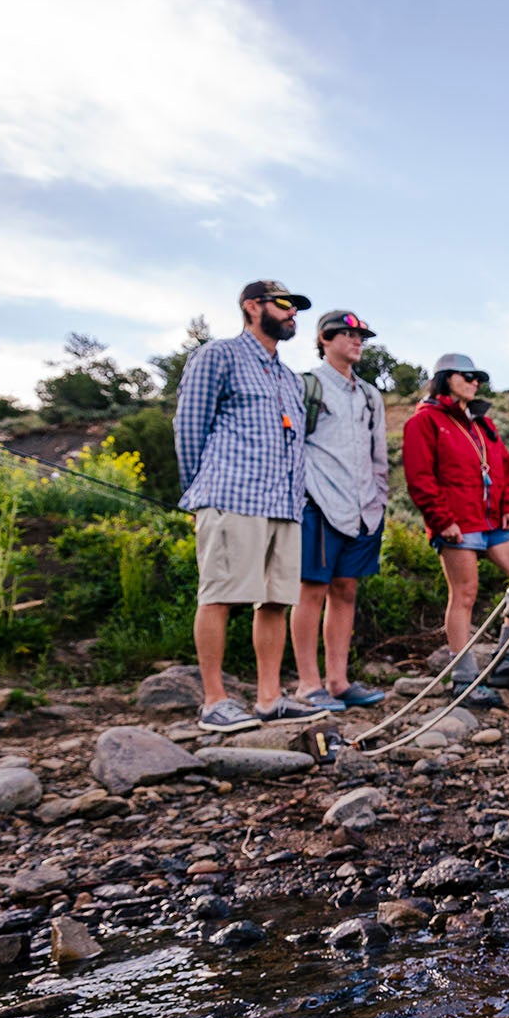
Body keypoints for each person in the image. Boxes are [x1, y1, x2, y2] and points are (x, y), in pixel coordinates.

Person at [174, 279, 329, 734]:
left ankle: (268, 698)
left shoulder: (287, 377)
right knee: (219, 595)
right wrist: (199, 491)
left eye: (295, 308)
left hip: (283, 504)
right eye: (284, 305)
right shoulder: (218, 356)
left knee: (277, 601)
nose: (292, 314)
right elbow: (189, 426)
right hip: (231, 496)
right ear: (251, 307)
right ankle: (214, 701)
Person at [401, 353, 509, 708]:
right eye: (467, 376)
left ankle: (505, 659)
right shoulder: (424, 422)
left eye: (478, 377)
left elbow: (502, 468)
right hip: (457, 523)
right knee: (464, 593)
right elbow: (420, 478)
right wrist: (442, 521)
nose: (475, 382)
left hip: (493, 522)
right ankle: (464, 679)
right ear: (444, 378)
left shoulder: (482, 424)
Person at [290, 310, 391, 712]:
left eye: (360, 335)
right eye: (348, 334)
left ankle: (337, 680)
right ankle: (307, 684)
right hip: (318, 502)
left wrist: (379, 497)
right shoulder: (306, 387)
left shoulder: (370, 394)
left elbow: (379, 452)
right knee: (310, 591)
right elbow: (292, 446)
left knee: (346, 590)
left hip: (363, 506)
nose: (357, 341)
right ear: (324, 339)